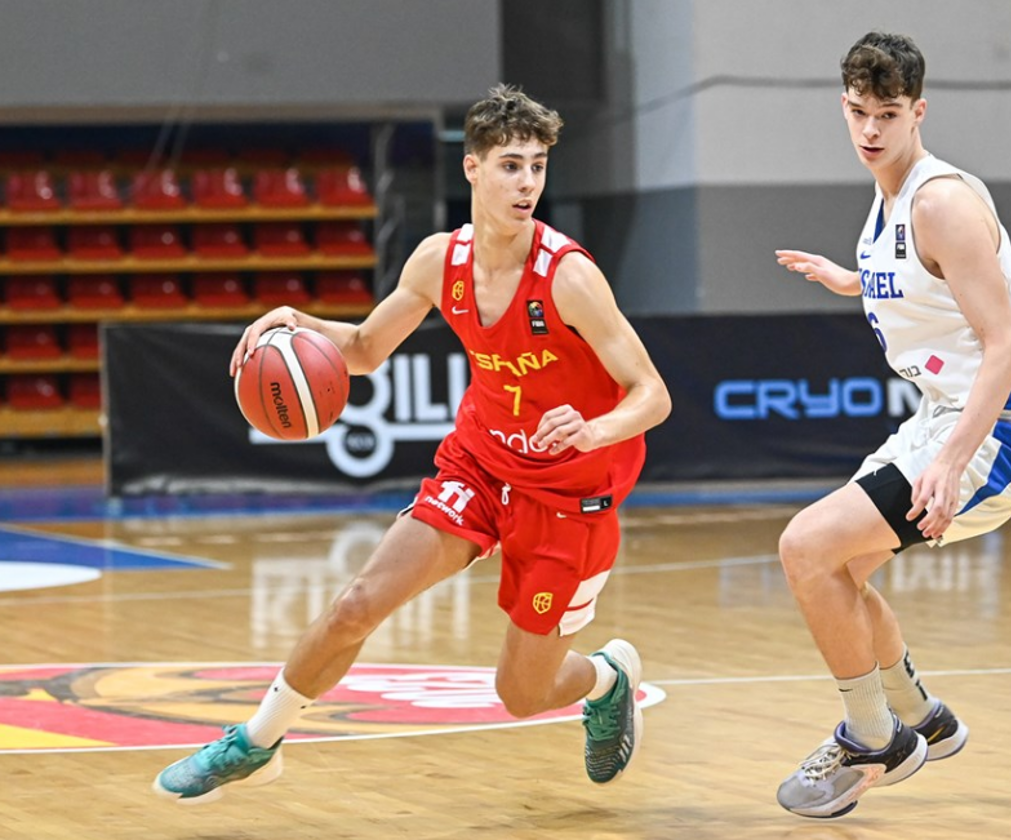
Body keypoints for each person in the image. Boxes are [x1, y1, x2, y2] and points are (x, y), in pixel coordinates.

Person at [153, 84, 671, 804]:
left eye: (538, 167)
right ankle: (256, 742)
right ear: (473, 169)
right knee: (357, 605)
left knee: (521, 694)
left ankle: (609, 677)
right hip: (481, 465)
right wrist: (298, 321)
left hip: (571, 494)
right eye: (511, 166)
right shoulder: (439, 262)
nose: (528, 184)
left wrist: (594, 428)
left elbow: (653, 394)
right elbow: (364, 350)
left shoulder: (569, 277)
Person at [772, 32, 1011, 819]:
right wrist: (849, 278)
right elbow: (914, 279)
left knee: (805, 548)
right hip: (944, 417)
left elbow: (1002, 345)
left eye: (888, 114)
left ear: (918, 112)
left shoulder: (942, 201)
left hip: (1004, 433)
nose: (871, 130)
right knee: (840, 574)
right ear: (845, 107)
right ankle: (924, 717)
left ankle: (876, 739)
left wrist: (949, 461)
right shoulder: (887, 196)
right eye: (859, 112)